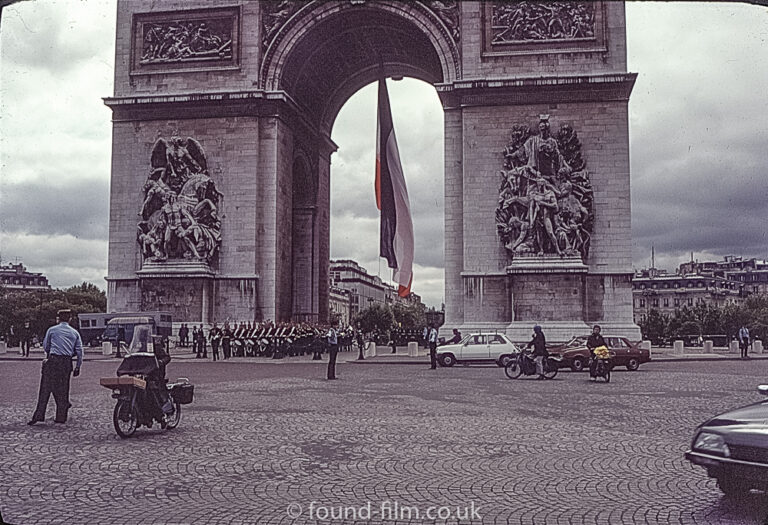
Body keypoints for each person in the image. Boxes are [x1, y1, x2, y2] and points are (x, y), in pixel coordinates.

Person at [28, 310, 83, 425]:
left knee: (45, 388)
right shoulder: (74, 333)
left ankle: (39, 414)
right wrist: (78, 366)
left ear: (58, 319)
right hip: (66, 362)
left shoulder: (52, 330)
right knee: (63, 388)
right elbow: (79, 351)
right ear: (70, 319)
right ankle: (61, 416)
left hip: (53, 361)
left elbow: (46, 346)